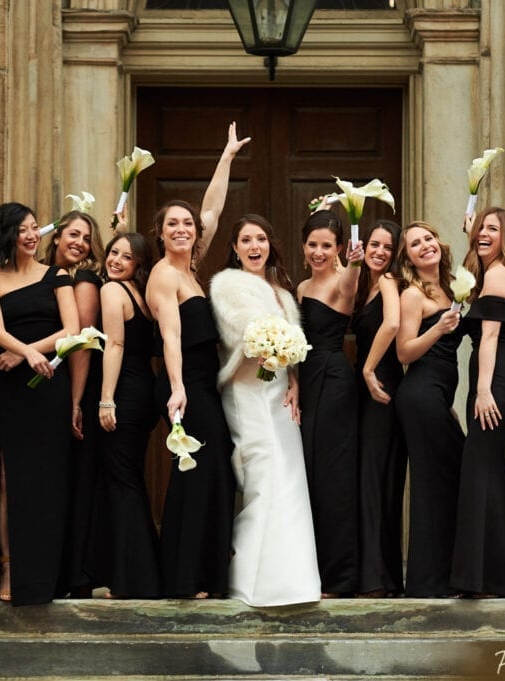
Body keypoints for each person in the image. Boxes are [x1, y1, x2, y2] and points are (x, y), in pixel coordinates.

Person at [146, 122, 250, 598]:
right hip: (189, 383)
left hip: (208, 381)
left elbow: (212, 207)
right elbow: (169, 334)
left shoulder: (193, 267)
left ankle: (205, 574)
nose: (184, 229)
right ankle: (186, 578)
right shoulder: (164, 276)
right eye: (174, 225)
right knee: (200, 475)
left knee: (213, 477)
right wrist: (178, 388)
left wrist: (226, 157)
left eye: (187, 225)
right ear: (160, 233)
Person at [209, 215, 321, 607]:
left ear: (270, 244)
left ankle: (292, 578)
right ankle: (250, 579)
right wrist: (267, 352)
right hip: (247, 389)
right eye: (245, 240)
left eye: (260, 238)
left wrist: (293, 379)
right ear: (235, 248)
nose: (254, 246)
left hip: (278, 393)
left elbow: (292, 349)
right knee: (261, 475)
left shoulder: (284, 294)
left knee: (288, 476)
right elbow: (239, 337)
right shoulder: (226, 285)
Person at [0, 202, 79, 605]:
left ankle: (48, 571)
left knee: (48, 477)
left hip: (49, 381)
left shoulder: (58, 276)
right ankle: (9, 565)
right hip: (8, 388)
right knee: (7, 478)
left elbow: (71, 329)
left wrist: (25, 353)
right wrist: (19, 351)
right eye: (23, 229)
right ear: (7, 235)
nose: (32, 234)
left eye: (35, 227)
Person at [450, 207, 505, 598]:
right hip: (500, 376)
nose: (483, 233)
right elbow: (474, 263)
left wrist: (482, 390)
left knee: (478, 471)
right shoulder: (498, 271)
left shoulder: (500, 275)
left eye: (492, 229)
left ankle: (482, 578)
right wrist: (477, 238)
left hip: (496, 378)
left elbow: (488, 337)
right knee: (491, 471)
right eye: (480, 227)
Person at [83, 228, 162, 598]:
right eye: (113, 253)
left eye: (125, 257)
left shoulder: (112, 290)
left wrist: (105, 399)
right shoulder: (142, 295)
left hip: (123, 392)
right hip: (144, 389)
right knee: (127, 478)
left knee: (123, 481)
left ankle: (137, 578)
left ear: (138, 264)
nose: (115, 260)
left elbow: (114, 343)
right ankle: (134, 572)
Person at [393, 220, 463, 598]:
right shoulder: (413, 295)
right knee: (432, 485)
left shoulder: (452, 286)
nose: (424, 246)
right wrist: (437, 329)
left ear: (439, 242)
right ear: (408, 257)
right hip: (418, 395)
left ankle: (447, 575)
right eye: (415, 244)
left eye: (428, 238)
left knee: (450, 480)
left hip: (437, 399)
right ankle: (428, 582)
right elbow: (405, 351)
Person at [296, 208, 364, 597]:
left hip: (334, 380)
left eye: (326, 245)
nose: (318, 251)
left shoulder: (343, 279)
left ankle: (340, 577)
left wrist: (353, 264)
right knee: (309, 475)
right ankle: (311, 568)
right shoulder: (302, 287)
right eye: (312, 244)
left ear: (339, 248)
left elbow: (350, 290)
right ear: (303, 246)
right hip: (306, 377)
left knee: (333, 476)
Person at [42, 209, 106, 597]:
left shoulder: (83, 280)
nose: (79, 243)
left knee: (77, 478)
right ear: (56, 236)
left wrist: (76, 401)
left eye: (86, 238)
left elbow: (81, 343)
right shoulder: (45, 275)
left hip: (74, 384)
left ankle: (74, 573)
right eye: (73, 234)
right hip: (46, 382)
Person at [352, 218, 407, 597]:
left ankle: (377, 579)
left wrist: (369, 370)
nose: (380, 252)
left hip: (383, 387)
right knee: (370, 481)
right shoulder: (363, 285)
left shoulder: (388, 283)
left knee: (378, 482)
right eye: (375, 244)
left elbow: (391, 324)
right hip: (365, 391)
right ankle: (379, 575)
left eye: (388, 247)